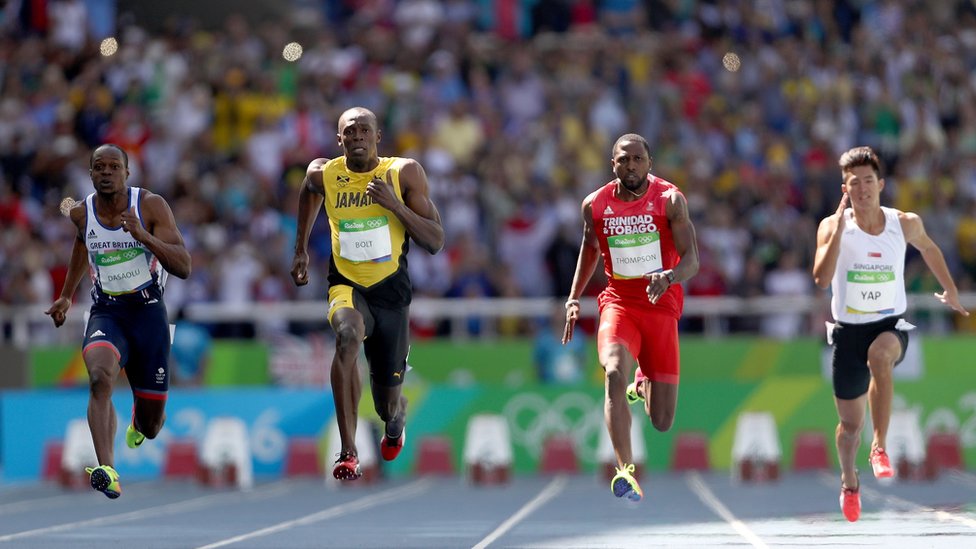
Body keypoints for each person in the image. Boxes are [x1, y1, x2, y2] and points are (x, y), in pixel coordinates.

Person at [812, 146, 969, 523]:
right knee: (849, 428)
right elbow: (820, 279)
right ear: (846, 189)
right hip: (848, 332)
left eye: (869, 181)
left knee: (881, 356)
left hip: (888, 326)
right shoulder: (832, 226)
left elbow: (930, 249)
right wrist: (836, 229)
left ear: (881, 184)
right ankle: (850, 481)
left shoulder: (904, 222)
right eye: (855, 184)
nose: (863, 188)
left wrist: (949, 289)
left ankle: (879, 446)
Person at [290, 107, 444, 481]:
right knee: (346, 337)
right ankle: (348, 450)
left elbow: (435, 240)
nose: (357, 136)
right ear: (339, 140)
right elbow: (309, 192)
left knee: (386, 400)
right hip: (347, 283)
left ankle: (395, 420)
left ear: (378, 137)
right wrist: (301, 249)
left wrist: (394, 205)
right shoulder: (324, 173)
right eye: (349, 131)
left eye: (364, 130)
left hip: (391, 292)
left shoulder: (402, 172)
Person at [45, 144, 192, 499]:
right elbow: (82, 244)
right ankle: (107, 469)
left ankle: (138, 423)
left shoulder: (151, 205)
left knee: (152, 424)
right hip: (107, 312)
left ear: (127, 173)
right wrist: (66, 294)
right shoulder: (82, 212)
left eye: (114, 166)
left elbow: (184, 266)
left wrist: (143, 235)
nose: (107, 172)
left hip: (149, 315)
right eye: (99, 167)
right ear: (91, 173)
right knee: (99, 378)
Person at [562, 133, 699, 501]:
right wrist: (574, 297)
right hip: (619, 304)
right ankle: (625, 468)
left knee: (662, 421)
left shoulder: (670, 201)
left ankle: (641, 385)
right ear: (613, 164)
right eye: (624, 160)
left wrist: (668, 276)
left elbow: (692, 260)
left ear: (649, 163)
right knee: (611, 372)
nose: (631, 165)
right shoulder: (595, 204)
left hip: (661, 306)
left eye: (638, 159)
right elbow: (590, 247)